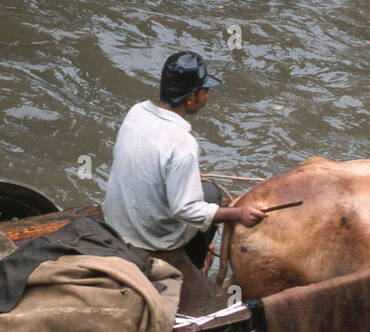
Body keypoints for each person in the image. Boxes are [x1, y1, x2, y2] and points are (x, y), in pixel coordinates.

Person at [102, 50, 266, 270]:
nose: (207, 96)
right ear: (191, 98)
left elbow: (138, 161)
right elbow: (185, 210)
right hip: (149, 238)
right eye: (205, 91)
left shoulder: (136, 112)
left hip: (116, 222)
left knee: (200, 189)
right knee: (211, 194)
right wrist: (238, 214)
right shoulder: (182, 143)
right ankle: (195, 263)